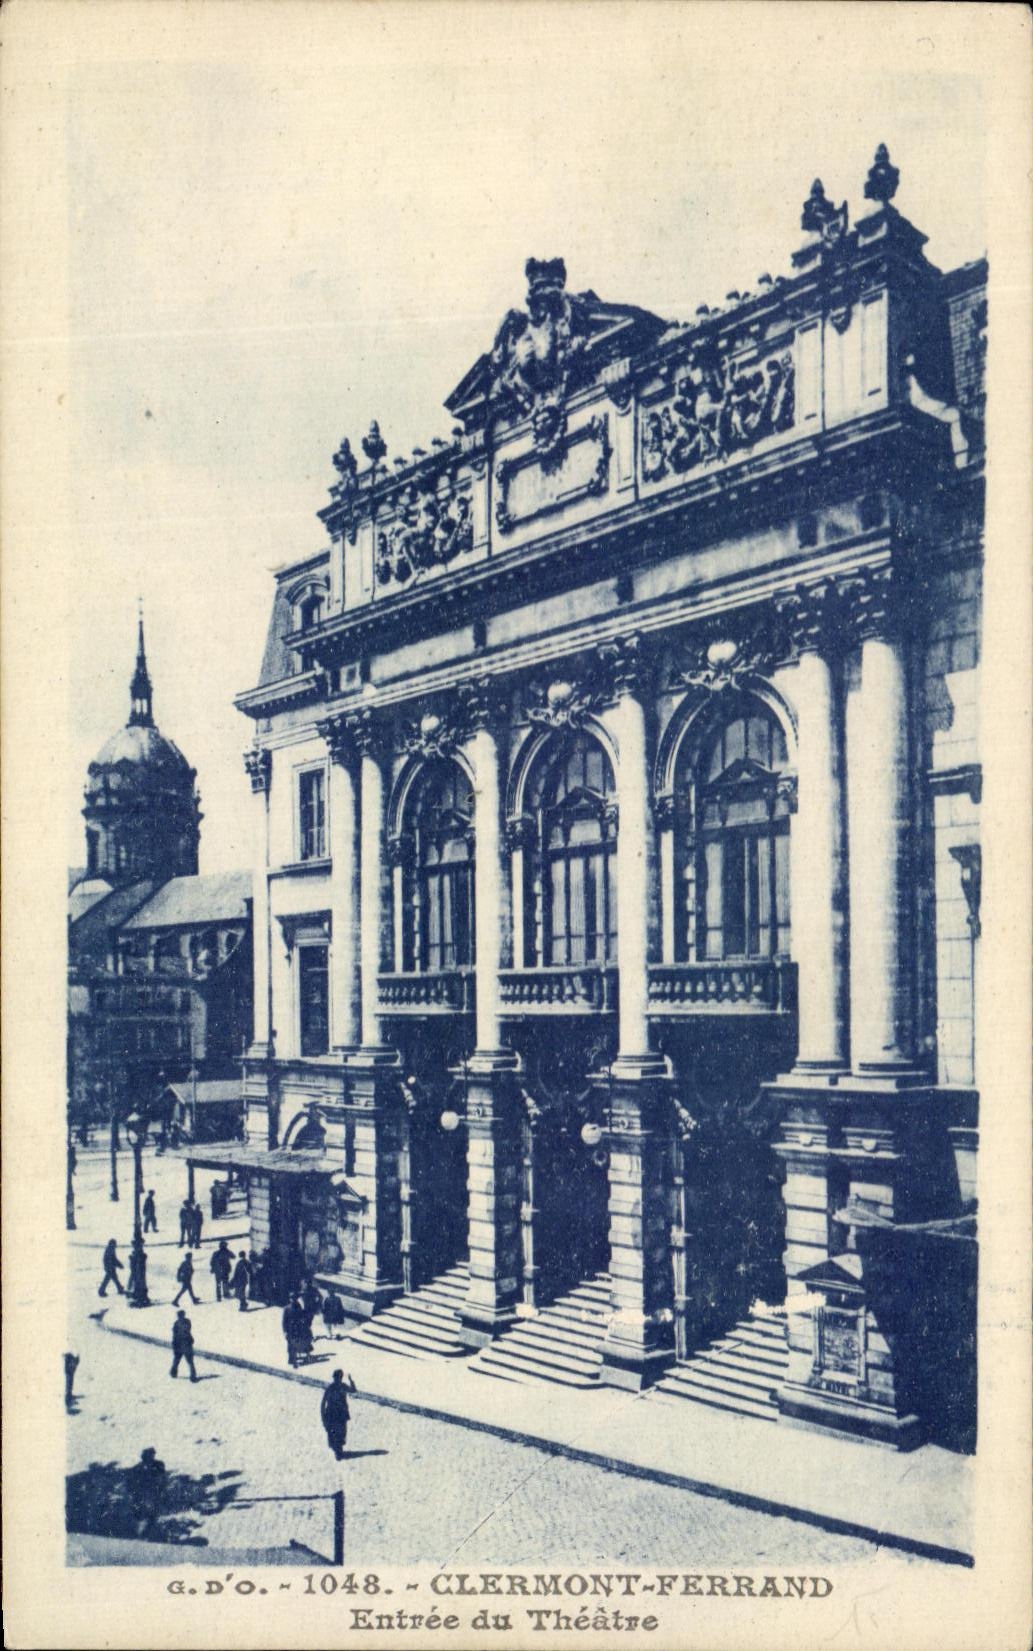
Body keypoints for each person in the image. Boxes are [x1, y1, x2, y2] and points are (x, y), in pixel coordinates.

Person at [126, 1447, 166, 1535]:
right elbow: (131, 1482)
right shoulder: (137, 1468)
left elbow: (162, 1477)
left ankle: (147, 1531)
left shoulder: (158, 1465)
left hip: (153, 1492)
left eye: (152, 1454)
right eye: (149, 1455)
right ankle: (141, 1530)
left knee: (151, 1512)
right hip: (143, 1493)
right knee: (143, 1511)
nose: (152, 1456)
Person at [320, 1369, 357, 1460]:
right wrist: (323, 1417)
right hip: (333, 1414)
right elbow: (323, 1403)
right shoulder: (332, 1388)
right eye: (336, 1378)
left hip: (340, 1414)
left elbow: (353, 1390)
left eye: (338, 1378)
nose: (336, 1379)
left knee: (340, 1433)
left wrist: (351, 1381)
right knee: (335, 1433)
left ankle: (338, 1451)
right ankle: (338, 1452)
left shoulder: (340, 1387)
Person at [169, 1310, 198, 1381]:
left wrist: (174, 1343)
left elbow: (176, 1334)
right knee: (182, 1359)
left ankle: (174, 1372)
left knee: (183, 1359)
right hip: (183, 1343)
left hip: (182, 1343)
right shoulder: (186, 1322)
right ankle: (191, 1375)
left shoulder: (178, 1323)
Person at [282, 1296, 309, 1367]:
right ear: (290, 1299)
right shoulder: (286, 1308)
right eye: (292, 1299)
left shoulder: (299, 1307)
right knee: (290, 1344)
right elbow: (284, 1322)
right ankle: (291, 1358)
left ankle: (293, 1358)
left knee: (296, 1343)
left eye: (294, 1299)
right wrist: (285, 1331)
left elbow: (302, 1316)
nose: (293, 1300)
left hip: (298, 1328)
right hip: (290, 1329)